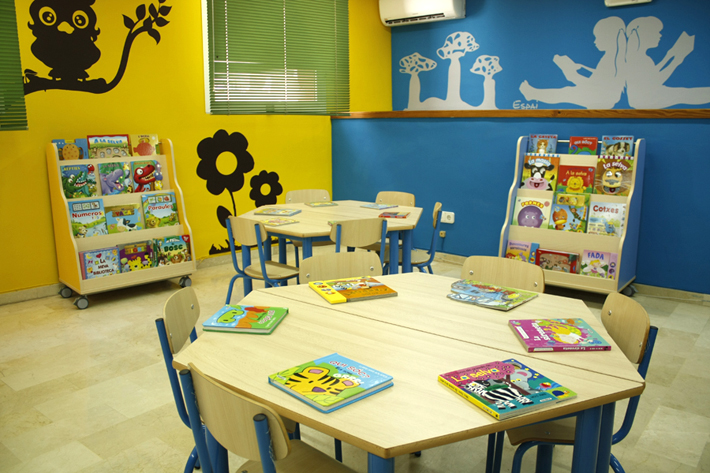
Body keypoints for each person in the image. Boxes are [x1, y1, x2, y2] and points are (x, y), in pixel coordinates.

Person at [519, 16, 627, 109]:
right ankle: (533, 93)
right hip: (604, 96)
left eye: (598, 37)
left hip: (602, 98)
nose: (595, 41)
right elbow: (601, 78)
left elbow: (596, 84)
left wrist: (571, 73)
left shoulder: (610, 59)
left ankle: (533, 93)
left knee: (566, 92)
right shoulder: (615, 57)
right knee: (567, 90)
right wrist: (582, 68)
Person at [625, 17, 710, 109]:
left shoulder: (639, 57)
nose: (660, 35)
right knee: (685, 94)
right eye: (656, 32)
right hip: (644, 99)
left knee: (684, 93)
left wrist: (670, 55)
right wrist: (677, 60)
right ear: (644, 35)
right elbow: (656, 81)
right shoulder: (639, 59)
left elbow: (653, 75)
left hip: (645, 96)